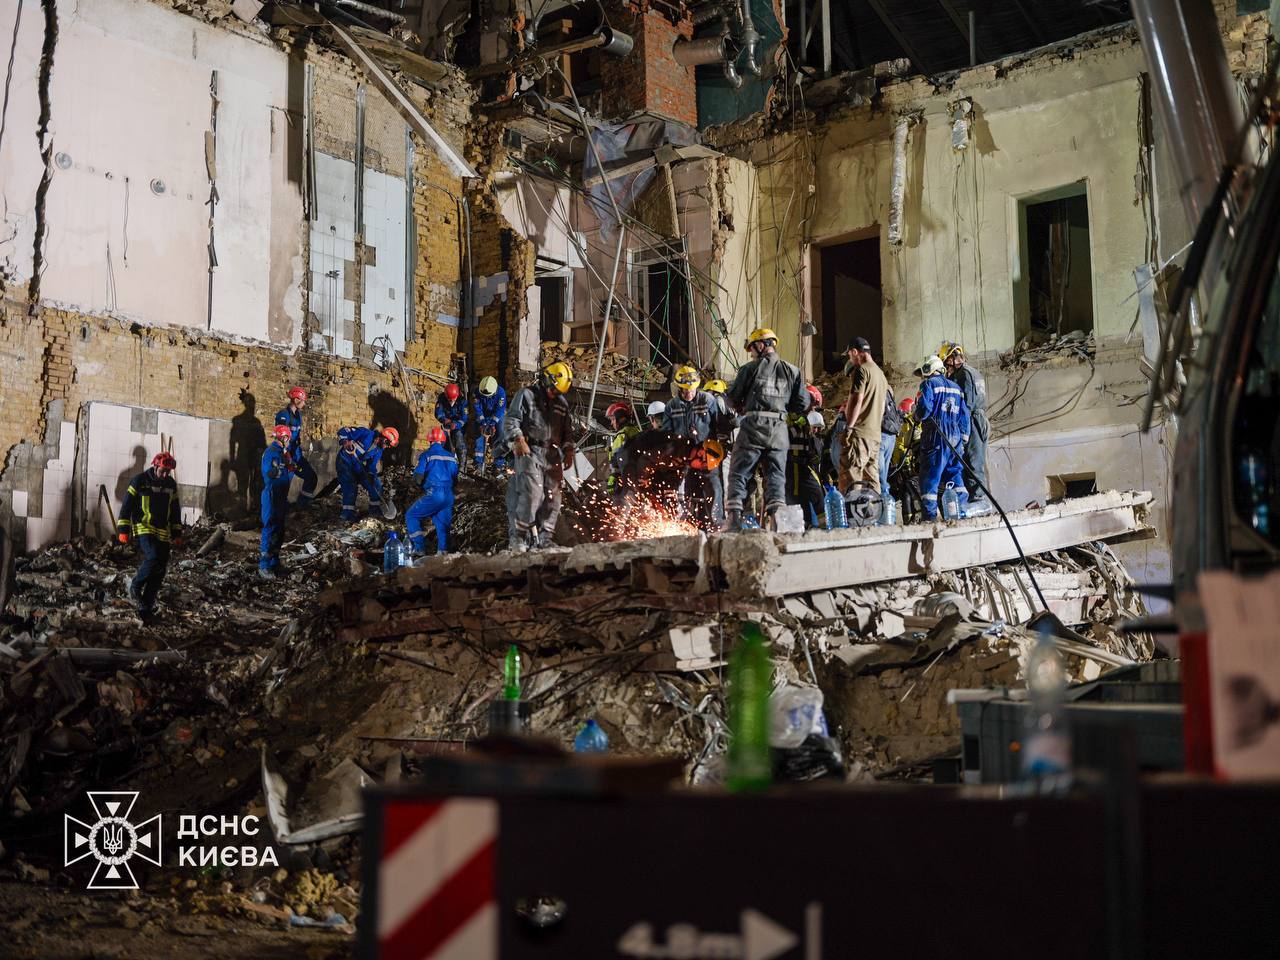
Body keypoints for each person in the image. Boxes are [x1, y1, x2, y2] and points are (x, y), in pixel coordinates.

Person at [724, 327, 810, 531]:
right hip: (779, 431)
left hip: (753, 427)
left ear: (761, 345)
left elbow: (732, 398)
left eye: (752, 349)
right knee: (776, 476)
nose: (752, 354)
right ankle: (776, 522)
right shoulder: (793, 371)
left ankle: (734, 520)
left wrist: (739, 404)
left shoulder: (750, 368)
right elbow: (802, 404)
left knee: (739, 472)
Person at [504, 361, 574, 552]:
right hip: (530, 451)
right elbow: (511, 419)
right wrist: (517, 439)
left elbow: (567, 432)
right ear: (546, 379)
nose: (554, 393)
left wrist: (568, 451)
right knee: (533, 494)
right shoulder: (526, 395)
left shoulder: (561, 404)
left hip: (552, 455)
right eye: (552, 389)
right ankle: (519, 537)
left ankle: (545, 538)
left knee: (553, 496)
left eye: (558, 392)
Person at [117, 452, 182, 620]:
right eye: (163, 470)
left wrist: (176, 532)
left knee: (160, 569)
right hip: (143, 527)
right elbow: (126, 506)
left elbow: (175, 509)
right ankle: (135, 586)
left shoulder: (171, 484)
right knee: (152, 557)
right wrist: (123, 530)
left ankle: (145, 607)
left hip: (162, 530)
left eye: (168, 471)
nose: (165, 474)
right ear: (155, 466)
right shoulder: (139, 481)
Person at [914, 355, 971, 520]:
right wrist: (963, 440)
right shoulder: (956, 388)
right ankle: (959, 512)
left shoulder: (929, 384)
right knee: (954, 475)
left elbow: (924, 408)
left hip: (936, 436)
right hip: (956, 439)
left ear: (928, 368)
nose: (923, 376)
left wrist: (917, 416)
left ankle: (930, 517)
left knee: (930, 476)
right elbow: (964, 416)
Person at [663, 366, 716, 526]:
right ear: (678, 388)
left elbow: (718, 426)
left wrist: (717, 448)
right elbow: (667, 434)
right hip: (684, 456)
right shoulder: (672, 406)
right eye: (685, 390)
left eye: (691, 390)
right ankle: (692, 523)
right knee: (689, 491)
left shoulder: (707, 400)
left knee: (713, 490)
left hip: (706, 454)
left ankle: (714, 523)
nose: (688, 393)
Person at [838, 337, 888, 498]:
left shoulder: (862, 370)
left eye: (849, 355)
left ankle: (853, 517)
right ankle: (873, 515)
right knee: (872, 478)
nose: (850, 359)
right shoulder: (881, 374)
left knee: (851, 474)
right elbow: (881, 408)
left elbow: (856, 400)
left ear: (855, 352)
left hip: (860, 433)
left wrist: (849, 427)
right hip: (875, 435)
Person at [942, 342, 990, 504]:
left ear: (954, 358)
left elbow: (966, 404)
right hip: (978, 418)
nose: (946, 367)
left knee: (972, 460)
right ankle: (976, 497)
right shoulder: (972, 372)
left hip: (972, 420)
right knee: (973, 460)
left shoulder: (963, 374)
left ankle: (978, 498)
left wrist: (957, 425)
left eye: (947, 362)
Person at [407, 427, 459, 555]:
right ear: (442, 441)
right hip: (448, 495)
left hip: (434, 494)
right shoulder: (451, 457)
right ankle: (443, 553)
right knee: (443, 524)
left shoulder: (426, 455)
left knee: (411, 515)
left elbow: (418, 478)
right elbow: (456, 480)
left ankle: (419, 548)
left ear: (429, 441)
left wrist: (416, 485)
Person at [335, 425, 399, 521]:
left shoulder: (379, 450)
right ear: (383, 438)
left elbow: (371, 467)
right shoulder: (365, 433)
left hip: (357, 465)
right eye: (387, 444)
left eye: (389, 446)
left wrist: (371, 476)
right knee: (350, 486)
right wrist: (345, 441)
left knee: (375, 484)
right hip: (345, 463)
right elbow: (343, 431)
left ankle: (374, 512)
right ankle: (347, 515)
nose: (387, 447)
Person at [259, 425, 297, 579]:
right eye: (288, 438)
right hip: (272, 495)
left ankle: (274, 562)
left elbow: (286, 476)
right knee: (270, 527)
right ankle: (264, 566)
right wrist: (282, 468)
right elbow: (269, 474)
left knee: (279, 530)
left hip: (281, 496)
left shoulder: (281, 453)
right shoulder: (272, 453)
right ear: (283, 437)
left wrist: (290, 467)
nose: (289, 441)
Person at [275, 387, 318, 507]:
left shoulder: (298, 415)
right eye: (303, 400)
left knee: (311, 477)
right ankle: (277, 514)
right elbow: (281, 435)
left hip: (296, 455)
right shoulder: (283, 415)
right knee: (283, 486)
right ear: (296, 399)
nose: (304, 403)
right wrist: (286, 455)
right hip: (286, 456)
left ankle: (302, 507)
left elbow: (296, 435)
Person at [787, 409, 827, 528]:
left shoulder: (811, 436)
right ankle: (806, 526)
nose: (816, 431)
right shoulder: (793, 424)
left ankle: (823, 526)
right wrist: (798, 425)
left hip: (804, 469)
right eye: (815, 427)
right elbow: (784, 438)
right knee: (797, 500)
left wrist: (812, 457)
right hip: (792, 470)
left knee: (818, 496)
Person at [703, 378, 734, 524]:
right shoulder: (729, 405)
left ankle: (722, 520)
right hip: (730, 449)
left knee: (720, 486)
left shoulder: (717, 402)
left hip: (721, 450)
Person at [605, 402, 641, 502]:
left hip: (623, 480)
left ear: (620, 418)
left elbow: (618, 459)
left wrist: (613, 476)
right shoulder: (636, 432)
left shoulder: (622, 435)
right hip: (636, 479)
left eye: (613, 419)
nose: (612, 423)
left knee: (619, 509)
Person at [473, 376, 507, 474]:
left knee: (501, 433)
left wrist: (492, 424)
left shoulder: (501, 393)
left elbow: (500, 410)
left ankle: (498, 464)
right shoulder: (476, 392)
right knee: (479, 436)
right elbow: (477, 408)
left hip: (497, 416)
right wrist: (483, 423)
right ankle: (478, 464)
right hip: (483, 415)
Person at [878, 389, 905, 511]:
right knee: (883, 472)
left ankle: (884, 507)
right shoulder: (888, 392)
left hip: (882, 434)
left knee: (880, 473)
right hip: (891, 434)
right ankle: (887, 504)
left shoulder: (877, 391)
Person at [435, 383, 469, 463]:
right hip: (446, 425)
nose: (451, 401)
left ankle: (462, 465)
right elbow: (438, 413)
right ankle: (442, 462)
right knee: (441, 440)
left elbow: (464, 418)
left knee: (459, 440)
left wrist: (456, 424)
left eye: (453, 399)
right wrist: (444, 419)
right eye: (449, 399)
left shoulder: (463, 401)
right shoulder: (442, 398)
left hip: (458, 426)